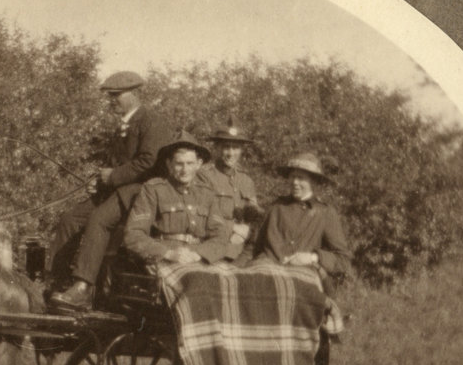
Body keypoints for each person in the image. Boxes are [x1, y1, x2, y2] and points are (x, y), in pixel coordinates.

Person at [48, 71, 172, 311]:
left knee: (99, 220)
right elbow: (114, 163)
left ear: (134, 94)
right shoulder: (124, 125)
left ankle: (82, 288)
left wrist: (113, 176)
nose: (112, 100)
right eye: (110, 96)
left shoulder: (152, 121)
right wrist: (100, 181)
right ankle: (57, 281)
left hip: (140, 191)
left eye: (116, 95)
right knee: (69, 219)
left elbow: (148, 161)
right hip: (115, 191)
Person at [245, 152, 352, 290]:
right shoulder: (276, 207)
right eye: (292, 177)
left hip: (301, 279)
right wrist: (237, 269)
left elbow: (343, 260)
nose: (295, 182)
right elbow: (254, 247)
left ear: (313, 181)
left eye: (301, 178)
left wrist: (313, 257)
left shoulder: (324, 213)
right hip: (266, 273)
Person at [123, 132, 230, 269]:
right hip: (165, 259)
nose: (185, 170)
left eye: (190, 163)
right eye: (179, 164)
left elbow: (220, 237)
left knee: (234, 282)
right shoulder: (153, 190)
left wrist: (198, 254)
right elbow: (133, 234)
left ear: (199, 164)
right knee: (193, 283)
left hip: (200, 258)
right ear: (169, 164)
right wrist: (168, 254)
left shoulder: (207, 193)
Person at [195, 120, 264, 261]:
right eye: (226, 147)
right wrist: (233, 228)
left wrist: (247, 230)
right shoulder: (204, 175)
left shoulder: (246, 180)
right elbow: (200, 215)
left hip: (243, 245)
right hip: (215, 244)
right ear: (216, 148)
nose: (231, 153)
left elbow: (254, 214)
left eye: (236, 148)